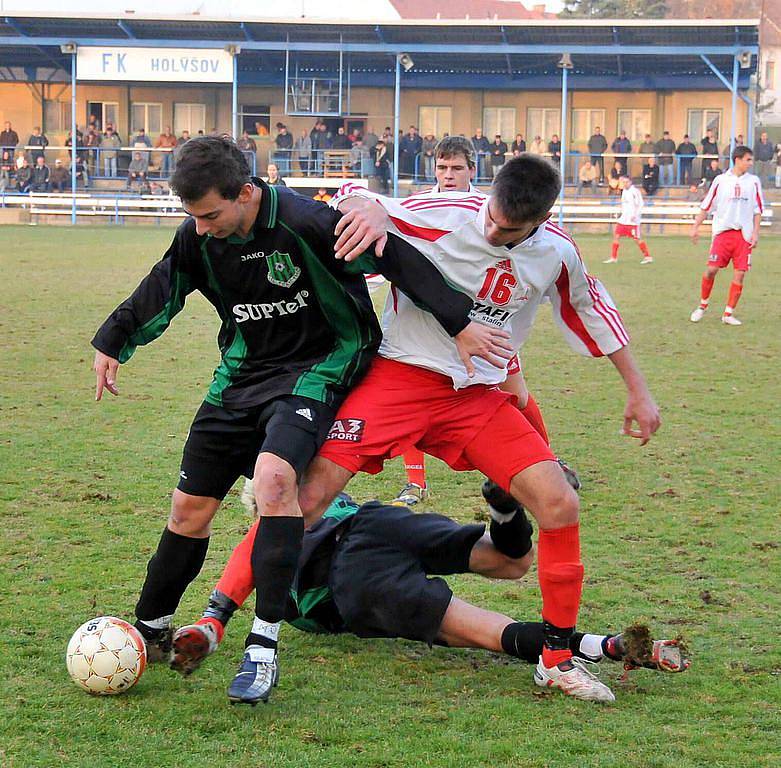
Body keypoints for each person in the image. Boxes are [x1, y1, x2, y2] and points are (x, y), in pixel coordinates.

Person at [90, 134, 503, 702]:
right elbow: (163, 286)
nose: (202, 227)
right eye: (194, 217)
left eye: (211, 214)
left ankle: (262, 646)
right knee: (188, 511)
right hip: (243, 375)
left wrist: (460, 321)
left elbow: (399, 259)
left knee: (276, 481)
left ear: (245, 192)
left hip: (320, 366)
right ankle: (151, 628)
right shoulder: (199, 236)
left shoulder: (311, 222)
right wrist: (113, 339)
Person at [267, 155, 659, 706]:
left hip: (475, 397)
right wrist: (365, 205)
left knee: (559, 504)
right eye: (492, 219)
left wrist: (637, 390)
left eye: (510, 229)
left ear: (541, 222)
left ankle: (556, 660)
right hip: (400, 376)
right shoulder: (449, 211)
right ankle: (224, 617)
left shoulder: (557, 253)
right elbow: (361, 197)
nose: (494, 231)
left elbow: (591, 309)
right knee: (301, 497)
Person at [171, 494, 689, 700]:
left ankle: (595, 649)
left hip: (355, 576)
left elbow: (251, 550)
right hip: (379, 520)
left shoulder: (269, 535)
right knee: (511, 560)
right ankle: (507, 516)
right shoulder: (322, 493)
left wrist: (213, 621)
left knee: (484, 631)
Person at [689, 145, 763, 326]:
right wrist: (695, 226)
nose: (750, 163)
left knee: (740, 274)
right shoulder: (721, 181)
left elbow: (757, 209)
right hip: (723, 233)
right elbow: (706, 205)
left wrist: (755, 233)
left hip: (743, 236)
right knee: (711, 270)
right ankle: (702, 305)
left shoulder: (753, 181)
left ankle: (728, 313)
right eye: (748, 159)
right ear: (737, 160)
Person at [604, 176, 652, 264]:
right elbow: (624, 205)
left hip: (632, 220)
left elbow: (640, 204)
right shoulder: (624, 191)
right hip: (623, 219)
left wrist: (635, 215)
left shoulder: (635, 192)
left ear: (630, 182)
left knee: (637, 239)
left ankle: (648, 256)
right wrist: (620, 212)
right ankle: (613, 257)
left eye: (627, 182)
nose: (625, 184)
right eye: (624, 182)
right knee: (616, 236)